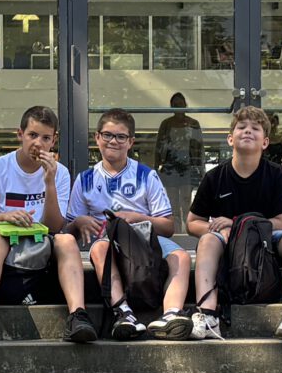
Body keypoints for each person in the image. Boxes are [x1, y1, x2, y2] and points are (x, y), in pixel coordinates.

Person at [0, 105, 93, 348]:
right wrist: (4, 217)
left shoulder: (60, 173)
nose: (38, 144)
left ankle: (78, 315)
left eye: (45, 138)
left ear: (54, 141)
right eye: (32, 135)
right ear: (20, 134)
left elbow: (55, 226)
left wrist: (49, 183)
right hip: (6, 247)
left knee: (67, 240)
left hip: (41, 249)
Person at [188, 104, 282, 342]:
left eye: (255, 128)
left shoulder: (275, 173)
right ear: (230, 139)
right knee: (208, 240)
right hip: (227, 242)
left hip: (265, 240)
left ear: (265, 142)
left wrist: (237, 224)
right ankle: (208, 315)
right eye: (241, 127)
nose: (248, 131)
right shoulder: (215, 177)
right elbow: (192, 223)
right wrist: (222, 230)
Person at [69, 108, 193, 340]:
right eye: (107, 135)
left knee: (182, 257)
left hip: (143, 239)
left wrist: (137, 218)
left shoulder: (146, 175)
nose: (113, 141)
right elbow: (67, 231)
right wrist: (79, 220)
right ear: (97, 137)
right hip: (109, 242)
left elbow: (168, 226)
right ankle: (123, 313)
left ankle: (171, 315)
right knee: (99, 248)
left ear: (131, 142)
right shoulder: (85, 179)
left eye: (121, 136)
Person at [153, 92, 206, 227]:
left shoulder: (193, 124)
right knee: (172, 203)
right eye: (175, 105)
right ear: (171, 106)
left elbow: (199, 148)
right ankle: (176, 232)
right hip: (170, 168)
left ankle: (189, 231)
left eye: (180, 104)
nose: (178, 107)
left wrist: (201, 168)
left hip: (188, 167)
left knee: (186, 201)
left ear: (185, 105)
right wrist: (157, 168)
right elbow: (159, 147)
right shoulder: (166, 124)